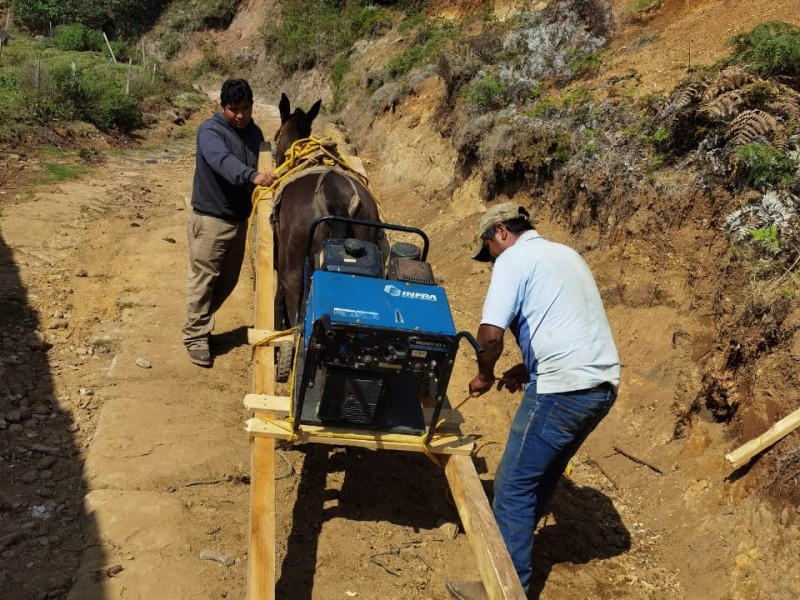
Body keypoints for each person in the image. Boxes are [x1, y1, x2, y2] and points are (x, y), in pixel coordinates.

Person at [445, 203, 620, 600]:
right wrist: (528, 366)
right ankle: (514, 553)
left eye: (488, 247)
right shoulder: (566, 254)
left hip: (562, 390)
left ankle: (504, 587)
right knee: (541, 477)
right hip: (601, 386)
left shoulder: (513, 259)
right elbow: (569, 320)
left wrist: (485, 375)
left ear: (501, 232)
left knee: (512, 485)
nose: (490, 260)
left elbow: (489, 335)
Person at [182, 78, 276, 367]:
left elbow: (264, 164)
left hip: (238, 220)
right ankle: (196, 336)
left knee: (228, 280)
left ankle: (201, 324)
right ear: (223, 107)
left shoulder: (255, 132)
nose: (240, 115)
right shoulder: (210, 131)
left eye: (245, 108)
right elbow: (222, 161)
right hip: (210, 219)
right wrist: (251, 176)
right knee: (204, 279)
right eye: (234, 109)